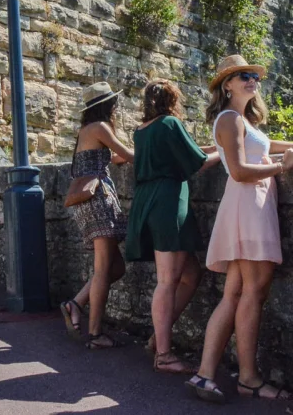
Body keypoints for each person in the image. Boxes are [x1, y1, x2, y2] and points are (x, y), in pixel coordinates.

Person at [187, 55, 293, 403]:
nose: (252, 80)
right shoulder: (230, 118)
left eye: (253, 76)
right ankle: (248, 378)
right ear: (226, 85)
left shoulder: (243, 121)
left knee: (234, 294)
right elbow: (239, 171)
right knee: (254, 292)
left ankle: (204, 375)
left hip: (248, 206)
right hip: (248, 206)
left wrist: (285, 152)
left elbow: (268, 147)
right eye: (243, 76)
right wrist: (279, 168)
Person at [125, 79, 219, 374]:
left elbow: (186, 149)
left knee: (191, 274)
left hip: (146, 200)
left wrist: (219, 145)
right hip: (168, 200)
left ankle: (158, 337)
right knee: (167, 280)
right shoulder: (169, 123)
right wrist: (228, 152)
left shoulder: (141, 131)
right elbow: (198, 162)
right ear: (172, 100)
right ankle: (164, 355)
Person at [60, 82, 134, 349]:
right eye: (114, 103)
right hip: (98, 199)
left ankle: (76, 304)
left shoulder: (86, 131)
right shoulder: (101, 128)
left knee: (116, 267)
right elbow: (128, 155)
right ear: (107, 106)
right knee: (104, 270)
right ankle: (94, 334)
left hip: (89, 200)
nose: (117, 107)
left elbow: (111, 157)